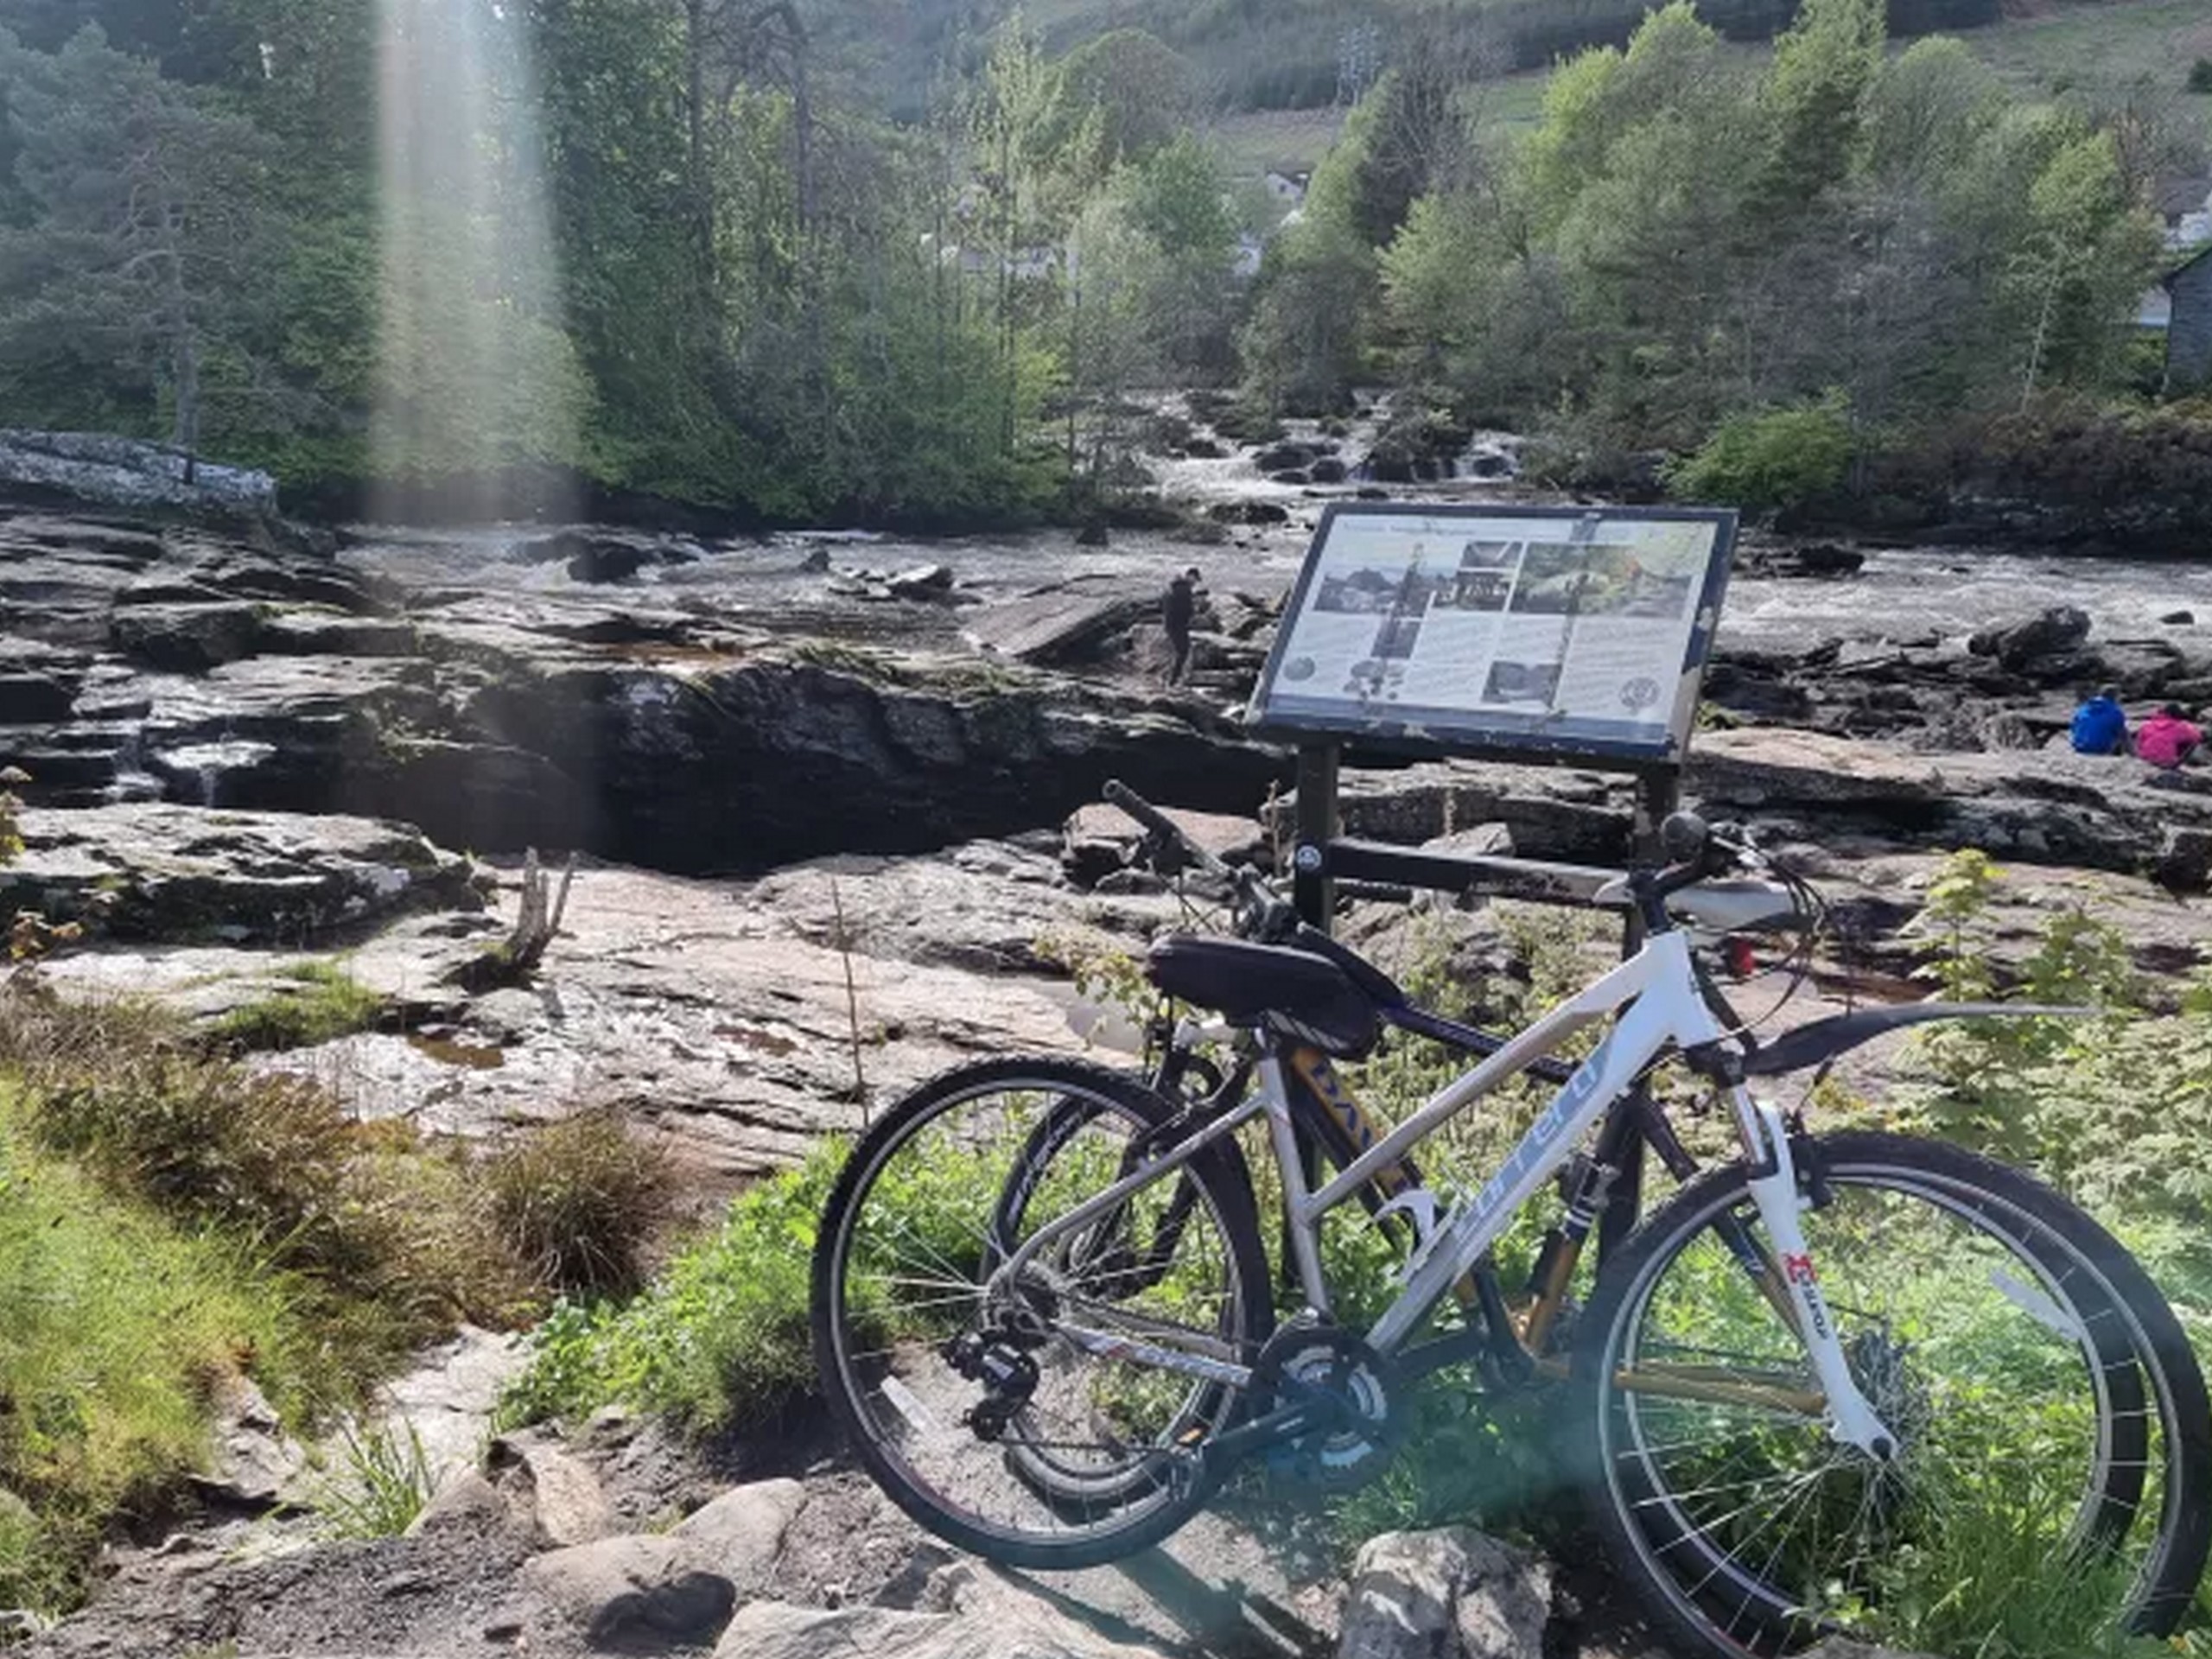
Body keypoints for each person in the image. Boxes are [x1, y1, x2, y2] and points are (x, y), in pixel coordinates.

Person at [2136, 702, 2202, 772]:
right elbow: (2197, 737)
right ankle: (2175, 762)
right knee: (2192, 742)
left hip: (2144, 760)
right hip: (2165, 763)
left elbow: (2139, 743)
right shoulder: (2179, 727)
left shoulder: (2148, 725)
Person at [1162, 567, 1199, 686]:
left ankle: (1171, 678)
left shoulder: (1173, 586)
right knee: (1183, 651)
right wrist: (1194, 612)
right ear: (1190, 576)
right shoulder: (1184, 589)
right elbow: (1186, 609)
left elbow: (1164, 604)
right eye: (1195, 579)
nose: (1195, 583)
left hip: (1170, 623)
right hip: (1178, 625)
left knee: (1179, 651)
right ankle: (1173, 681)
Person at [2069, 685, 2128, 756]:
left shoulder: (2083, 708)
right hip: (2102, 750)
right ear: (2115, 697)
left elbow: (2073, 728)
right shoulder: (2116, 712)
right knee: (2124, 732)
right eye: (2119, 698)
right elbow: (2121, 734)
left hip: (2080, 747)